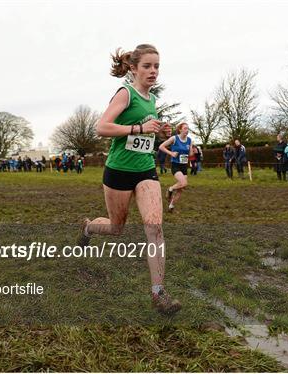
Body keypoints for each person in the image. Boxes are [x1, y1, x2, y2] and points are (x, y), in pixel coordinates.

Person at [76, 44, 179, 314]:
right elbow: (102, 127)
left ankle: (158, 293)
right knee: (115, 228)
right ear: (133, 68)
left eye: (157, 66)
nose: (153, 71)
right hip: (119, 170)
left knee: (154, 228)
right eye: (147, 66)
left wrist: (158, 131)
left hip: (146, 170)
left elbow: (143, 134)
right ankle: (88, 228)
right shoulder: (126, 93)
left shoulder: (152, 99)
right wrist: (139, 127)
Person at [159, 122, 193, 213]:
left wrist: (191, 151)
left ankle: (171, 206)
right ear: (180, 129)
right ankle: (170, 189)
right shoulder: (174, 138)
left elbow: (190, 154)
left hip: (184, 166)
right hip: (176, 165)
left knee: (180, 189)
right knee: (183, 183)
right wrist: (171, 153)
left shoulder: (189, 140)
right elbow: (161, 147)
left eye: (188, 129)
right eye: (185, 128)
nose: (187, 130)